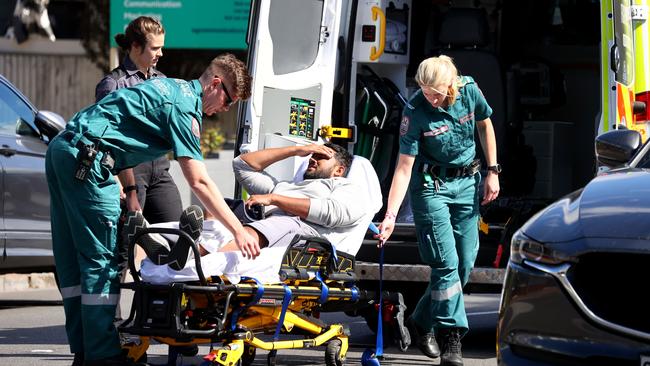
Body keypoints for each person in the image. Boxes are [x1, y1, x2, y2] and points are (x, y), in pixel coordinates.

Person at [46, 53, 259, 366]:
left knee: (72, 265)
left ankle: (84, 349)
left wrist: (131, 191)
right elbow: (198, 180)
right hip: (89, 165)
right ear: (216, 84)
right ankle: (102, 355)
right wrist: (238, 230)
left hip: (64, 151)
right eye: (229, 101)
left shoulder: (166, 87)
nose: (225, 109)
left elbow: (120, 130)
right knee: (99, 263)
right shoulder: (186, 107)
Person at [375, 55, 500, 366]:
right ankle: (452, 337)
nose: (430, 97)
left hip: (467, 185)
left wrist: (493, 171)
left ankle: (420, 319)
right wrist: (390, 216)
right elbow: (404, 169)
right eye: (424, 90)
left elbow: (485, 125)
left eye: (436, 92)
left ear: (451, 84)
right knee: (446, 264)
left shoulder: (469, 90)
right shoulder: (415, 111)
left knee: (465, 263)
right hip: (432, 189)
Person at [95, 16, 183, 223]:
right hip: (130, 171)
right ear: (135, 46)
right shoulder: (112, 84)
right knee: (127, 243)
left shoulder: (162, 80)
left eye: (161, 47)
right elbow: (106, 139)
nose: (161, 53)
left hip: (160, 168)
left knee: (177, 232)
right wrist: (121, 184)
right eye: (155, 48)